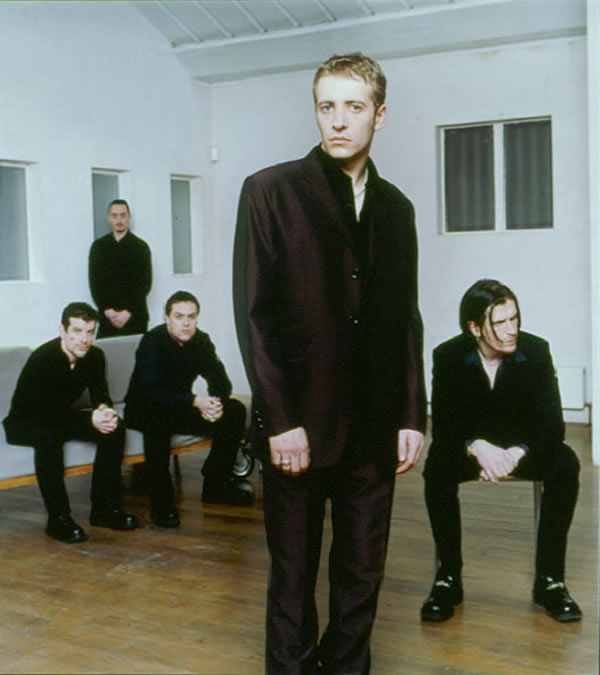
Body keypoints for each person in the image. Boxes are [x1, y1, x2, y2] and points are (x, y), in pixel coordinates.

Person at [233, 53, 426, 674]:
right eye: (326, 106)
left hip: (374, 428)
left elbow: (405, 318)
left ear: (379, 115)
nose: (338, 121)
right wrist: (279, 420)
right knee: (292, 580)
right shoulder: (270, 191)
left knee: (361, 577)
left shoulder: (397, 209)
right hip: (298, 427)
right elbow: (255, 315)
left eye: (354, 107)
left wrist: (412, 414)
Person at [421, 279, 581, 623]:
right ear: (475, 327)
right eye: (500, 322)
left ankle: (550, 580)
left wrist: (516, 453)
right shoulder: (448, 356)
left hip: (520, 451)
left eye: (515, 319)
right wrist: (477, 448)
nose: (512, 330)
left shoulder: (536, 350)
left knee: (565, 463)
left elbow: (552, 425)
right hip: (473, 451)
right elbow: (446, 426)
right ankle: (448, 578)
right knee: (436, 467)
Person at [3, 302, 138, 543]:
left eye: (89, 332)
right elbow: (43, 412)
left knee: (115, 428)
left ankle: (104, 509)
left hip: (59, 418)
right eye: (77, 331)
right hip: (25, 421)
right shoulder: (44, 358)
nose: (84, 339)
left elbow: (100, 395)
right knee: (49, 436)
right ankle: (58, 519)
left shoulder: (94, 356)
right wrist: (89, 419)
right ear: (62, 331)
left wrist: (104, 412)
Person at [124, 290, 251, 529]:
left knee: (234, 410)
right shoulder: (152, 341)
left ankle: (215, 485)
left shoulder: (201, 340)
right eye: (179, 316)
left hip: (180, 407)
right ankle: (161, 505)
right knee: (158, 422)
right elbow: (150, 391)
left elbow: (220, 381)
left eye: (191, 317)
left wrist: (215, 404)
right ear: (167, 318)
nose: (186, 323)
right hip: (145, 409)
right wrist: (194, 401)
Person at [88, 199, 152, 338]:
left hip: (135, 316)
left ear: (129, 217)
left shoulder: (140, 247)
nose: (119, 220)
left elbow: (145, 284)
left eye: (123, 215)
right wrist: (107, 310)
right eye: (115, 215)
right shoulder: (99, 247)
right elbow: (95, 283)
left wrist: (128, 312)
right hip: (107, 317)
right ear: (109, 218)